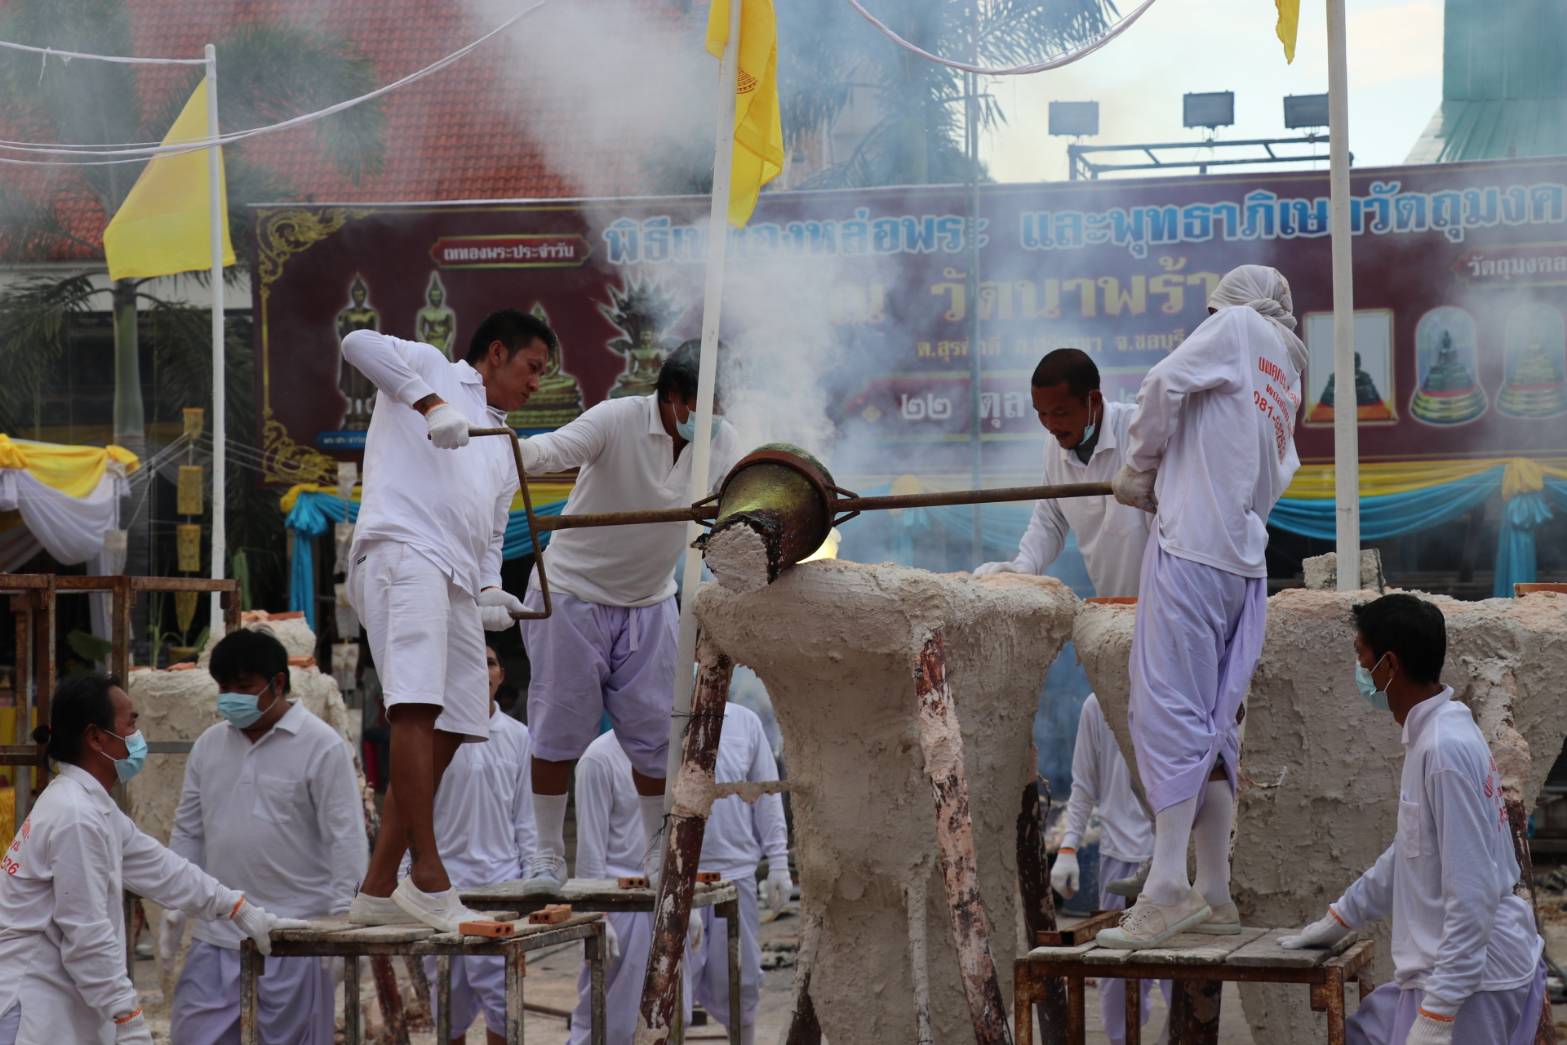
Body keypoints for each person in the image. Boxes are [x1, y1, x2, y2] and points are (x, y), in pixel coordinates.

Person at [1098, 264, 1306, 949]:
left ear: (1230, 304)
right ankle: (1212, 891)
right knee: (1214, 722)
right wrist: (1181, 476)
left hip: (1191, 550)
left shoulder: (1237, 327)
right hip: (1242, 563)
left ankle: (1163, 886)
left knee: (1166, 711)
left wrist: (1140, 466)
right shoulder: (1288, 368)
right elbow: (1266, 467)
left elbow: (1161, 382)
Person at [341, 308, 552, 932]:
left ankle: (379, 887)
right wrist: (431, 404)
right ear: (494, 353)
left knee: (462, 719)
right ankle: (428, 876)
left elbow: (490, 534)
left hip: (458, 577)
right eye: (532, 368)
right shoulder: (434, 368)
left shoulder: (499, 441)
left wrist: (491, 589)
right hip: (404, 550)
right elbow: (356, 343)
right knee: (415, 707)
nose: (537, 383)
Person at [517, 339, 741, 892]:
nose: (709, 421)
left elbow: (743, 503)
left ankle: (655, 848)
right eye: (700, 408)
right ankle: (546, 854)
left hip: (648, 602)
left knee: (658, 735)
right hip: (572, 595)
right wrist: (498, 449)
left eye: (718, 409)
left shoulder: (722, 441)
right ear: (670, 397)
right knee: (556, 728)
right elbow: (550, 450)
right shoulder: (618, 419)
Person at [1281, 595, 1547, 1045]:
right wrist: (1340, 918)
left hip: (1473, 982)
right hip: (1457, 969)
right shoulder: (1438, 733)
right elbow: (1411, 850)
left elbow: (1473, 890)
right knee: (1364, 1030)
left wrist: (1438, 1013)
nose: (1359, 667)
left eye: (1361, 654)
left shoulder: (1444, 749)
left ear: (1389, 665)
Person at [0, 674, 284, 1045]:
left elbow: (161, 868)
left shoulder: (91, 806)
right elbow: (85, 929)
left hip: (58, 1006)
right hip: (36, 1011)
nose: (137, 734)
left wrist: (237, 907)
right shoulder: (75, 815)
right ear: (96, 737)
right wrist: (128, 1015)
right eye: (130, 723)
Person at [165, 629, 368, 1045]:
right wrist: (174, 900)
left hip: (296, 935)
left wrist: (346, 927)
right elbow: (188, 829)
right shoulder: (208, 746)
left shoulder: (321, 745)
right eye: (224, 688)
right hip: (219, 934)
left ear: (277, 683)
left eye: (243, 687)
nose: (230, 698)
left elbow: (345, 839)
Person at [421, 644, 537, 1045]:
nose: (480, 671)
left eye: (488, 661)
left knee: (504, 1006)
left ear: (500, 675)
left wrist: (531, 881)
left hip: (501, 886)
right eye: (469, 663)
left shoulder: (520, 738)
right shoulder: (431, 737)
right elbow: (411, 817)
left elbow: (528, 819)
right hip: (443, 888)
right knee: (447, 1007)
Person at [974, 348, 1151, 599]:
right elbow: (1049, 520)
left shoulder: (1139, 433)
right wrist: (1022, 568)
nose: (1050, 425)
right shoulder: (1055, 447)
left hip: (1162, 603)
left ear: (1095, 400)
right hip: (1114, 604)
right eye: (1041, 414)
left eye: (1060, 413)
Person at [1051, 694, 1168, 1044]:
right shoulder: (1098, 703)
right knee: (1115, 978)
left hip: (1171, 855)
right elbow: (1083, 783)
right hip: (1118, 858)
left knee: (1181, 972)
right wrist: (1068, 848)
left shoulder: (1172, 690)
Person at [569, 729, 688, 1045]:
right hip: (619, 902)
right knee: (611, 1019)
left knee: (674, 1014)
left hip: (665, 895)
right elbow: (590, 845)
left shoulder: (675, 751)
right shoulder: (599, 758)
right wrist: (596, 912)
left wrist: (688, 897)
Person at [686, 703, 792, 1045]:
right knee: (672, 983)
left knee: (743, 980)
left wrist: (778, 861)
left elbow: (767, 793)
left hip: (735, 874)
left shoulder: (744, 722)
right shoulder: (662, 719)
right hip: (676, 877)